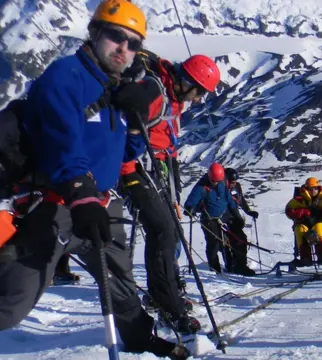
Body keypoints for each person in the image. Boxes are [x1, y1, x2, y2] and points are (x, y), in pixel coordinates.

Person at [0, 1, 189, 358]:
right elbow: (62, 143)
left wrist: (137, 121)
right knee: (11, 303)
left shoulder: (115, 89)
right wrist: (81, 195)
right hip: (55, 205)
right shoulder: (65, 77)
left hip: (100, 205)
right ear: (94, 32)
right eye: (116, 37)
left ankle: (138, 338)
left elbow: (124, 155)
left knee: (120, 283)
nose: (124, 49)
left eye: (133, 44)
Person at [117, 52, 219, 331]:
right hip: (135, 168)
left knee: (169, 231)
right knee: (162, 231)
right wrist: (128, 176)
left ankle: (170, 292)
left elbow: (167, 141)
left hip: (155, 166)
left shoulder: (173, 99)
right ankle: (167, 304)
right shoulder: (155, 92)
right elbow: (126, 130)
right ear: (186, 82)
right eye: (199, 91)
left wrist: (173, 186)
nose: (198, 99)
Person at [183, 163, 244, 274]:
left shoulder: (221, 183)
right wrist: (189, 208)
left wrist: (237, 216)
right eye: (214, 181)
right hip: (208, 219)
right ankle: (215, 268)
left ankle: (230, 266)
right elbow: (192, 199)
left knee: (227, 243)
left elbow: (230, 200)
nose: (216, 183)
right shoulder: (201, 186)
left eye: (218, 181)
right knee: (214, 243)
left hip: (222, 218)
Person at [285, 177, 322, 266]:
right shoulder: (299, 198)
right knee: (300, 229)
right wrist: (304, 212)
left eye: (315, 188)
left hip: (320, 222)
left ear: (318, 188)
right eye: (310, 189)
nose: (313, 190)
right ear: (306, 189)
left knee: (318, 229)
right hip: (303, 222)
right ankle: (305, 258)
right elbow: (289, 211)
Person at [224, 167, 258, 276]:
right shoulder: (222, 189)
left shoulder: (237, 187)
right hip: (224, 220)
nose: (234, 184)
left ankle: (240, 264)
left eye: (235, 182)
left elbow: (241, 200)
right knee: (230, 242)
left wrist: (248, 211)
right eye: (232, 182)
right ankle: (234, 265)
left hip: (235, 219)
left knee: (241, 240)